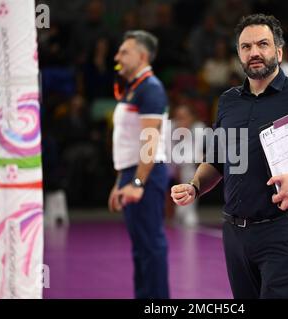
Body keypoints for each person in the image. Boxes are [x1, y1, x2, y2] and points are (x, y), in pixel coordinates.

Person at [171, 14, 288, 299]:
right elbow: (217, 161)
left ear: (279, 51)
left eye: (263, 44)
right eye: (246, 47)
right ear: (239, 54)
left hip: (283, 230)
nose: (255, 52)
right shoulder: (228, 101)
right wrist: (195, 186)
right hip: (234, 233)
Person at [108, 30, 170, 299]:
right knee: (140, 247)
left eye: (124, 52)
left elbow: (149, 142)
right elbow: (127, 142)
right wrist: (119, 182)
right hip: (132, 173)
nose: (117, 57)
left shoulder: (151, 88)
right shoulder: (134, 88)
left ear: (142, 56)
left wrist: (136, 183)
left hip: (145, 173)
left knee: (150, 245)